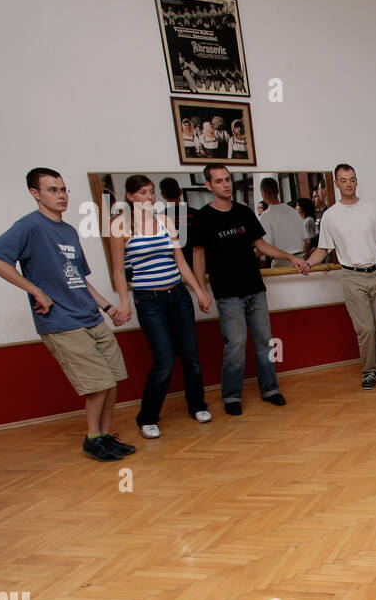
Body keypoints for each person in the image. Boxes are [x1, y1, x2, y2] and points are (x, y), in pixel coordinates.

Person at [0, 168, 135, 461]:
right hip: (62, 322)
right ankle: (93, 439)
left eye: (63, 189)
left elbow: (79, 278)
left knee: (112, 379)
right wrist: (35, 291)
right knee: (98, 383)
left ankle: (104, 436)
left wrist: (108, 307)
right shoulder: (29, 226)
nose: (61, 195)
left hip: (90, 315)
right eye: (53, 190)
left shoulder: (68, 231)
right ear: (35, 194)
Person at [190, 163, 310, 415]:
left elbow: (261, 245)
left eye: (227, 179)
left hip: (255, 289)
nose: (226, 184)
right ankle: (231, 396)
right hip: (227, 294)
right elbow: (198, 256)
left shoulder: (244, 212)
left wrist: (291, 257)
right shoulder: (203, 217)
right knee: (235, 346)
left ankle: (270, 389)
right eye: (219, 181)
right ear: (209, 186)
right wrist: (201, 290)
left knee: (266, 342)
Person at [108, 175, 214, 439]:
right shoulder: (120, 226)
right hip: (149, 300)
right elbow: (119, 271)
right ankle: (147, 417)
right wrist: (123, 302)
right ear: (130, 196)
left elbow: (180, 261)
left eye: (152, 192)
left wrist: (200, 292)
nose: (149, 197)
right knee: (165, 360)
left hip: (178, 295)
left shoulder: (165, 222)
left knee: (191, 356)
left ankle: (198, 405)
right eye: (143, 192)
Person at [304, 164, 376, 389]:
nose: (348, 184)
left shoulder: (372, 209)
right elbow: (323, 250)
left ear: (356, 181)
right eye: (343, 180)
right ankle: (369, 371)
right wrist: (308, 263)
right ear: (336, 183)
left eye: (352, 179)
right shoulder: (331, 216)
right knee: (366, 329)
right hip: (352, 277)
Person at [260, 178, 308, 270]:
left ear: (263, 193)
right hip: (299, 260)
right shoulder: (294, 211)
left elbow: (265, 246)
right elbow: (307, 240)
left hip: (280, 262)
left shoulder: (265, 216)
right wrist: (303, 256)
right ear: (278, 191)